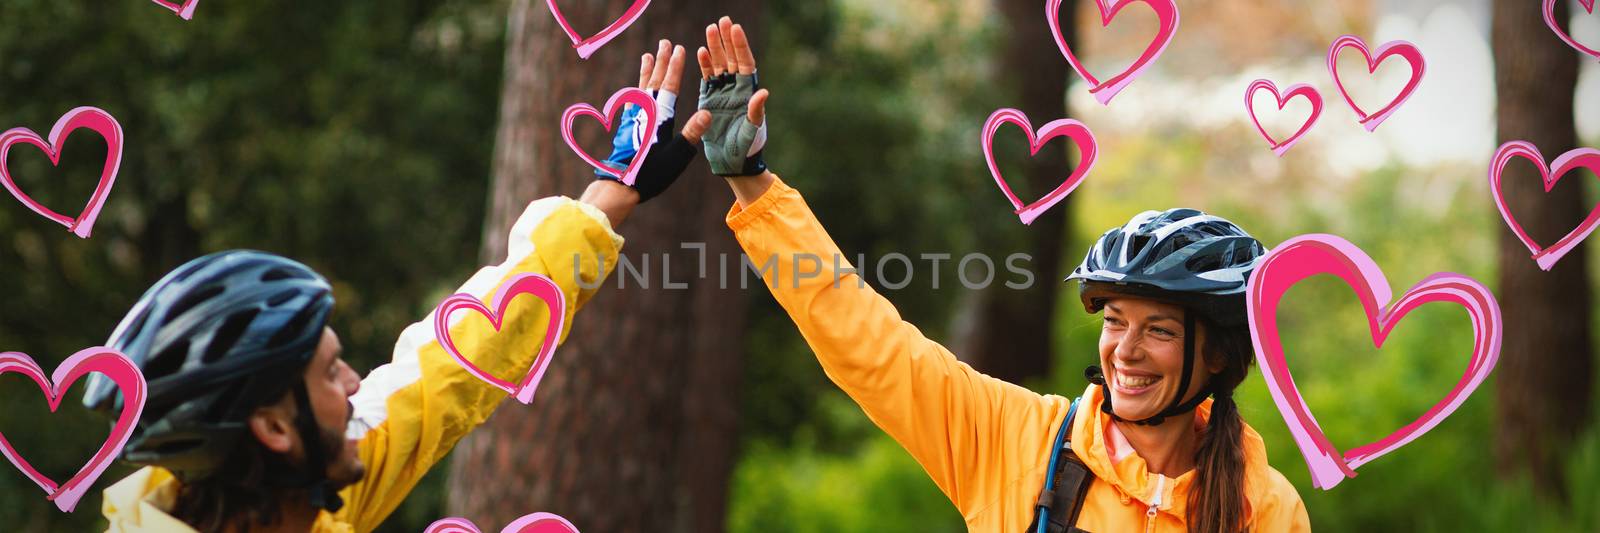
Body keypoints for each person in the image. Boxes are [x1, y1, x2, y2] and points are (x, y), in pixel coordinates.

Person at [692, 16, 1310, 533]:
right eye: (1117, 322)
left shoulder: (1267, 508)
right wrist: (752, 180)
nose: (1126, 349)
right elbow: (864, 343)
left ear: (1221, 356)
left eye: (1160, 331)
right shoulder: (1017, 440)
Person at [85, 39, 705, 533]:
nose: (355, 383)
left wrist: (606, 198)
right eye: (330, 374)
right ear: (274, 429)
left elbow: (448, 372)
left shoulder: (306, 498)